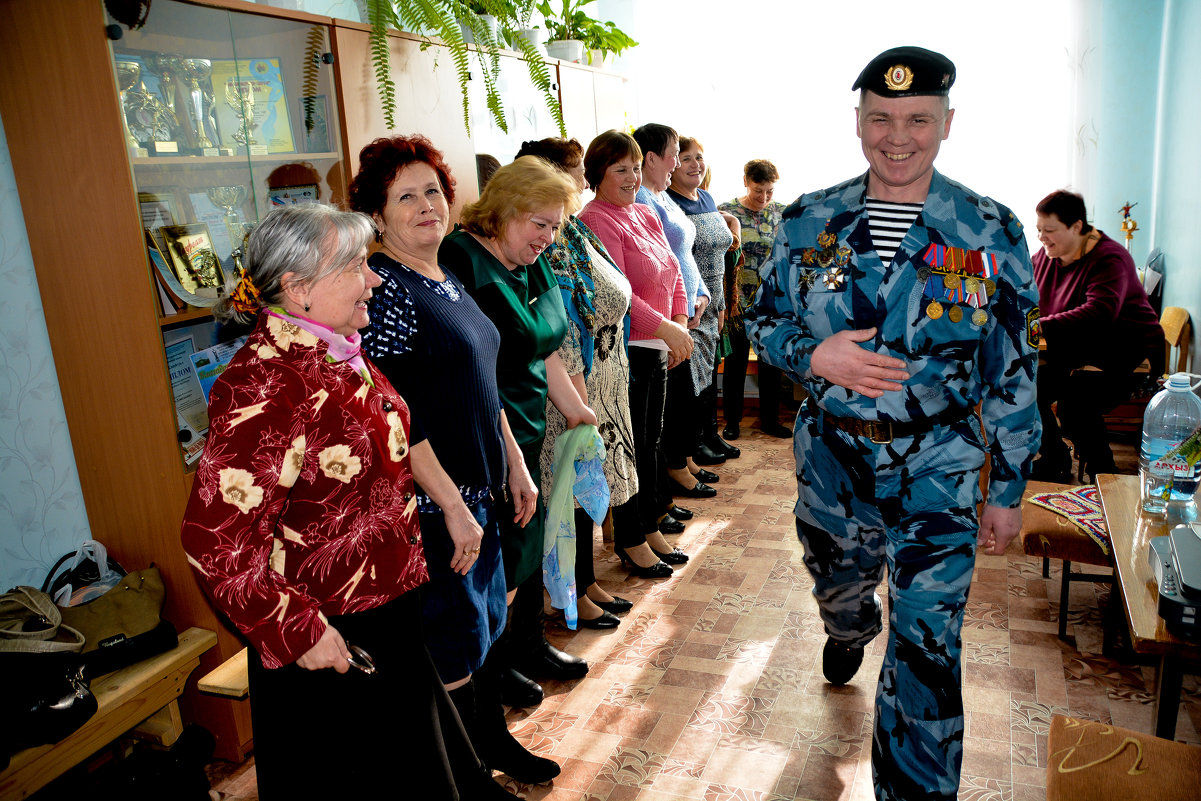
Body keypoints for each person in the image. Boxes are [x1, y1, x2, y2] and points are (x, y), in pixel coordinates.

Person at [746, 47, 1040, 801]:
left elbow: (1012, 365)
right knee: (840, 586)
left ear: (947, 123)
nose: (897, 135)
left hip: (938, 461)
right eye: (880, 117)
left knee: (928, 642)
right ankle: (847, 625)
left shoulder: (987, 227)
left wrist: (1006, 487)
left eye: (917, 119)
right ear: (857, 122)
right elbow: (762, 321)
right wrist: (815, 356)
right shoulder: (808, 218)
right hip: (832, 461)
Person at [179, 204, 512, 800]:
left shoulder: (334, 351)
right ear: (297, 287)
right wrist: (298, 631)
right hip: (332, 635)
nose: (376, 279)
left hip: (383, 607)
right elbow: (213, 538)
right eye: (357, 267)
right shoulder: (268, 381)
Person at [348, 134, 559, 784]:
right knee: (452, 644)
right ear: (377, 215)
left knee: (485, 629)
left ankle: (488, 745)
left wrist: (514, 464)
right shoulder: (385, 290)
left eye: (432, 191)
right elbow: (388, 413)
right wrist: (448, 503)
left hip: (478, 490)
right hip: (434, 504)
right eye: (404, 196)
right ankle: (462, 777)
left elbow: (481, 383)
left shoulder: (441, 277)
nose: (424, 205)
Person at [440, 156, 595, 697]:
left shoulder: (528, 257)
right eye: (541, 225)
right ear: (505, 210)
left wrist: (575, 407)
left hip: (529, 427)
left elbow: (544, 346)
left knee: (525, 544)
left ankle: (527, 643)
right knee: (499, 553)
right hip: (487, 436)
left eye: (556, 227)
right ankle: (496, 663)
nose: (549, 239)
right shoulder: (460, 259)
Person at [514, 136, 653, 628]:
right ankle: (565, 594)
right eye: (573, 171)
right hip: (570, 389)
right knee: (567, 496)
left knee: (585, 493)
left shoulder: (572, 231)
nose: (580, 181)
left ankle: (586, 583)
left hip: (600, 378)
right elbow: (561, 325)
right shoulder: (547, 239)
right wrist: (578, 397)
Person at [579, 130, 693, 579]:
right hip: (624, 351)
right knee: (628, 451)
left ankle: (647, 527)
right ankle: (630, 538)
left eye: (633, 168)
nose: (630, 178)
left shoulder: (644, 212)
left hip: (658, 345)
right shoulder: (595, 220)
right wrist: (665, 328)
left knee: (650, 444)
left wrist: (679, 324)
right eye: (618, 170)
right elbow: (619, 293)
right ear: (597, 175)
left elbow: (674, 270)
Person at [1031, 189, 1163, 482]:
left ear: (1077, 227)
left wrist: (1042, 325)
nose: (1042, 237)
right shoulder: (1048, 255)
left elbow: (1100, 311)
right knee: (1026, 388)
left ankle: (1106, 475)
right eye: (1039, 230)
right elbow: (1024, 284)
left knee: (1075, 404)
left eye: (1049, 230)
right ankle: (1055, 459)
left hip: (1126, 353)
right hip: (1079, 349)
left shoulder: (1110, 258)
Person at [631, 123, 716, 526]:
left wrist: (695, 296)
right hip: (656, 328)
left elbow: (676, 259)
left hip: (679, 317)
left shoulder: (661, 198)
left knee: (677, 407)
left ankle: (665, 494)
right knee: (661, 422)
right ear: (653, 158)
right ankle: (661, 495)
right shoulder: (643, 201)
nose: (678, 163)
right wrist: (675, 319)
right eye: (674, 154)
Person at [666, 137, 738, 477]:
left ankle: (708, 434)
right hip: (690, 305)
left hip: (715, 299)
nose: (696, 164)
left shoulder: (706, 197)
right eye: (686, 159)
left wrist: (722, 302)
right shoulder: (669, 203)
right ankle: (692, 445)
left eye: (699, 158)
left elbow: (720, 247)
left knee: (709, 372)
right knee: (690, 379)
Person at [719, 159, 791, 440]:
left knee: (770, 363)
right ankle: (732, 422)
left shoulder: (782, 214)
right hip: (737, 301)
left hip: (770, 304)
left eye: (769, 191)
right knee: (734, 363)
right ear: (746, 182)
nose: (764, 198)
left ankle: (770, 421)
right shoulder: (727, 213)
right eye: (758, 190)